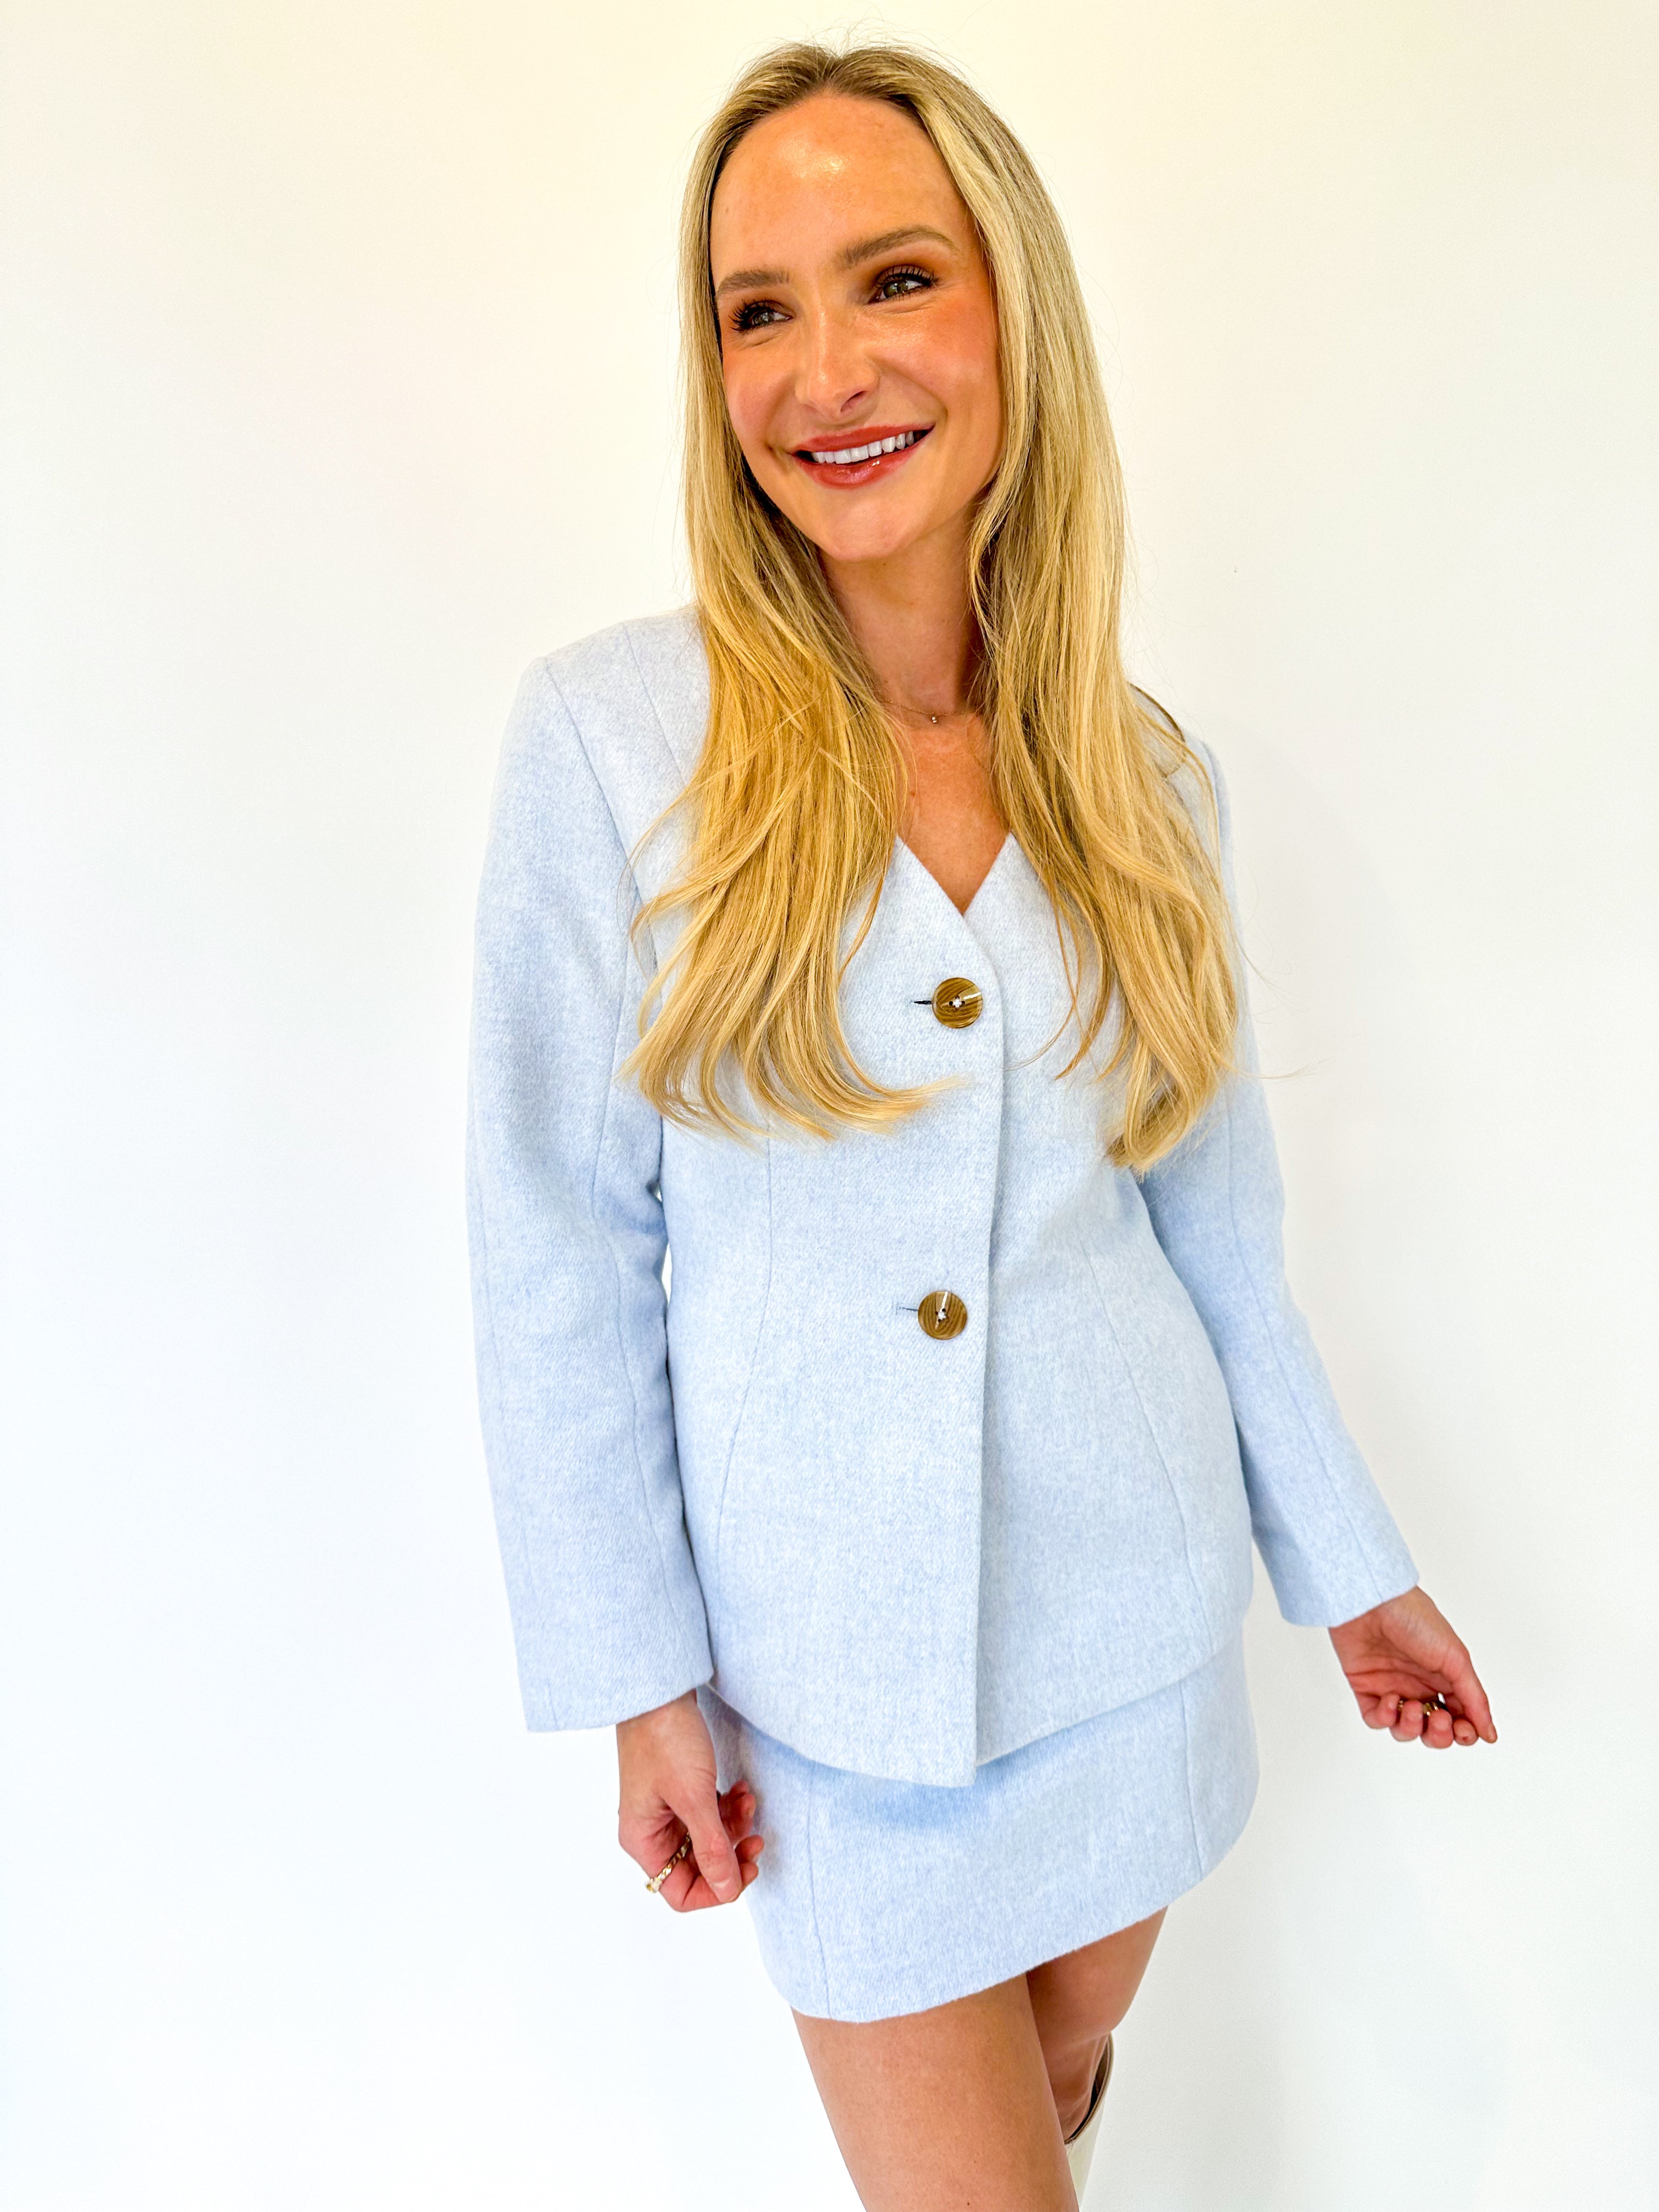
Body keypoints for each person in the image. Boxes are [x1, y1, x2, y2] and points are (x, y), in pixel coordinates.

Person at [466, 40, 1497, 2211]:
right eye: (758, 309)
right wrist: (642, 1677)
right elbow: (558, 1242)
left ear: (1014, 309)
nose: (825, 368)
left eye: (897, 278)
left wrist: (1354, 1572)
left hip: (1137, 1632)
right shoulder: (612, 742)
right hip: (827, 1700)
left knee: (1067, 2063)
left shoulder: (1145, 771)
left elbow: (1217, 1228)